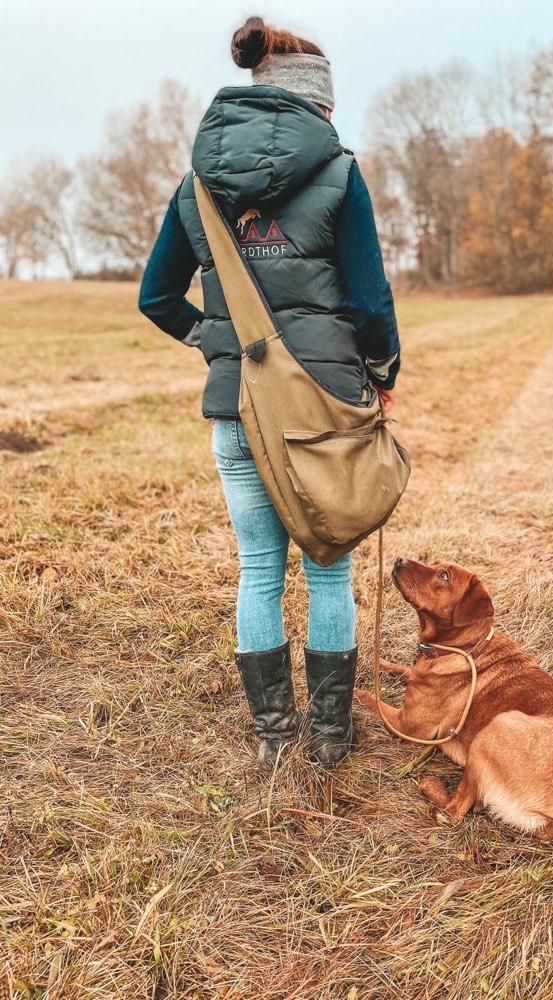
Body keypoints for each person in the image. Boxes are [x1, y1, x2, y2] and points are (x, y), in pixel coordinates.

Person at [138, 16, 400, 772]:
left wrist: (210, 341)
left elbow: (157, 299)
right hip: (322, 406)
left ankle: (274, 738)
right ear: (317, 104)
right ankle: (329, 739)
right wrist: (380, 377)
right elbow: (371, 302)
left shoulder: (196, 184)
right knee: (329, 567)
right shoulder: (341, 172)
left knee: (259, 567)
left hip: (239, 408)